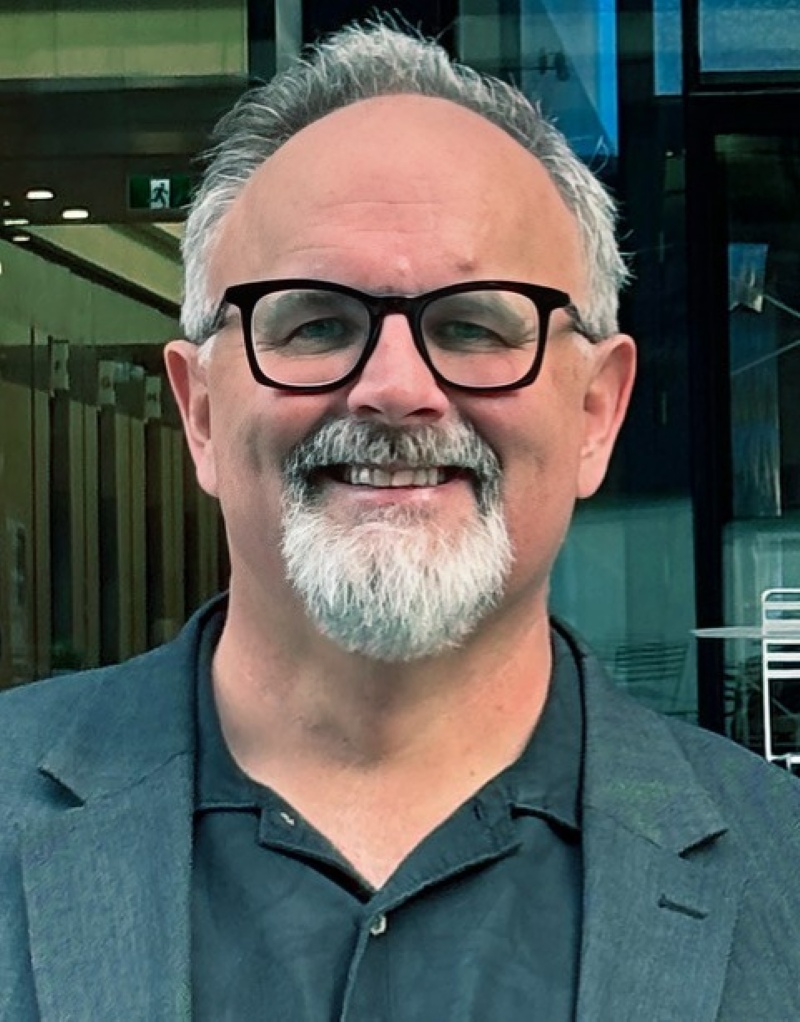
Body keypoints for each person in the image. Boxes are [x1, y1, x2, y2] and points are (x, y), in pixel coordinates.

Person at [1, 20, 799, 1022]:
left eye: (472, 324)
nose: (392, 388)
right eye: (315, 323)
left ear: (596, 413)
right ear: (200, 412)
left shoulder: (783, 874)